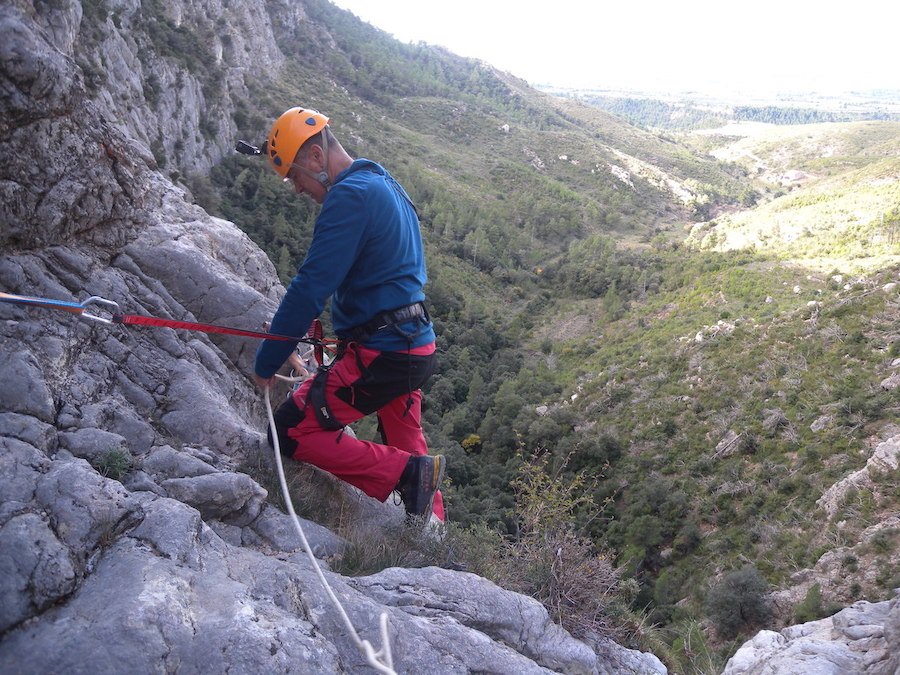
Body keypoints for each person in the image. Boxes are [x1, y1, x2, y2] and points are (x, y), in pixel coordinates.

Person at [251, 106, 445, 523]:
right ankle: (434, 532)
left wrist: (267, 361)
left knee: (289, 429)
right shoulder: (381, 181)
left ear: (316, 158)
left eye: (294, 177)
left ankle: (406, 476)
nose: (297, 190)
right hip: (413, 345)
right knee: (406, 436)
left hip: (385, 352)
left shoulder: (349, 196)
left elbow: (310, 288)